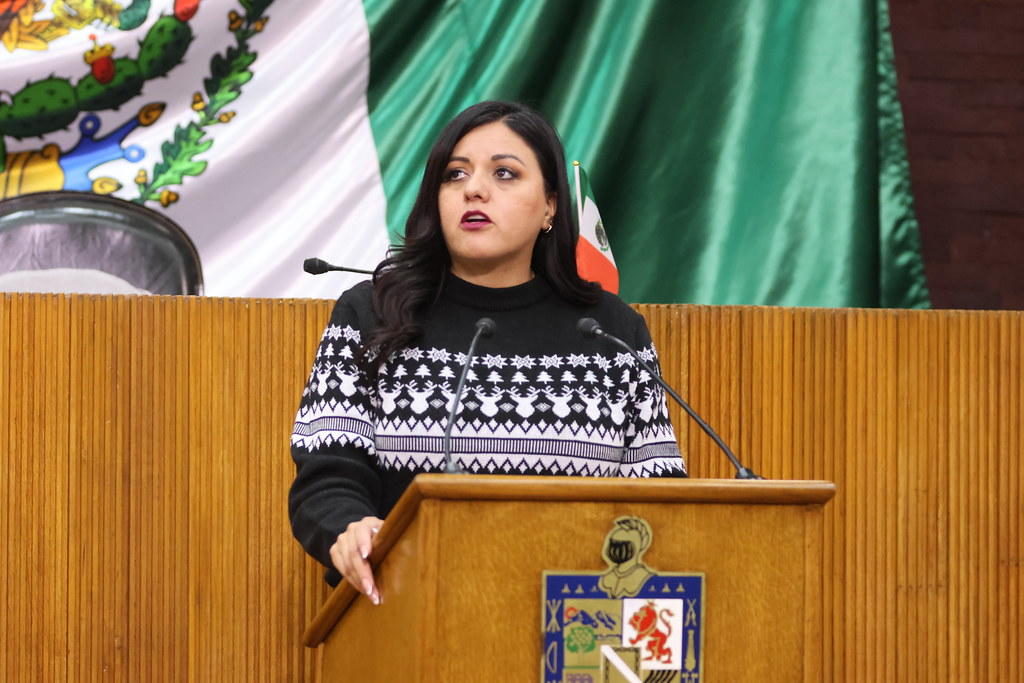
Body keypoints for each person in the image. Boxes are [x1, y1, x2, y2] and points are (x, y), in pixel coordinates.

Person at [289, 101, 686, 601]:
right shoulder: (372, 314)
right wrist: (352, 528)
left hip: (577, 625)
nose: (473, 189)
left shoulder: (610, 332)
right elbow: (327, 476)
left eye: (504, 173)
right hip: (408, 611)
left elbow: (658, 498)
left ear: (550, 206)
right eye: (455, 174)